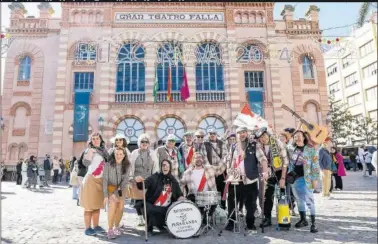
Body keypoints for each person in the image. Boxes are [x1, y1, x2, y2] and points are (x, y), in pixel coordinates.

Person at [225, 127, 268, 234]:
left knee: (251, 204)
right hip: (236, 180)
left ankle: (250, 224)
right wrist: (229, 172)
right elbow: (230, 160)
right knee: (231, 202)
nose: (242, 134)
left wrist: (265, 171)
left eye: (244, 132)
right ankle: (231, 222)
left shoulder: (254, 145)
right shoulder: (234, 146)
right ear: (237, 134)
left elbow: (263, 159)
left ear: (247, 133)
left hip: (250, 180)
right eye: (239, 133)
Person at [135, 159, 184, 235]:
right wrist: (138, 182)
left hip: (166, 207)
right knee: (146, 207)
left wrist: (180, 197)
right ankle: (149, 226)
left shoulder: (172, 179)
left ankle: (161, 225)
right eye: (163, 165)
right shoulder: (155, 177)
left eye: (167, 165)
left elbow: (178, 193)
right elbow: (143, 185)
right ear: (161, 167)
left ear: (170, 167)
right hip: (153, 204)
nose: (165, 167)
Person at [254, 127, 289, 228]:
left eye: (264, 136)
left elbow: (285, 162)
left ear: (267, 134)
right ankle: (267, 218)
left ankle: (283, 218)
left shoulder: (277, 143)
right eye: (260, 138)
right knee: (267, 196)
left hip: (280, 171)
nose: (263, 139)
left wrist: (283, 178)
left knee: (282, 196)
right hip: (269, 173)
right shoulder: (259, 146)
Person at [287, 130, 320, 233]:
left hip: (307, 179)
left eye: (299, 136)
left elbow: (315, 165)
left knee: (309, 200)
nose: (297, 138)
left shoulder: (310, 149)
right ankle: (303, 219)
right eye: (295, 136)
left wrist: (315, 179)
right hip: (295, 179)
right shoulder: (291, 149)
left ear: (304, 137)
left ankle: (313, 223)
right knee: (299, 200)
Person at [180, 152, 227, 224]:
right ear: (193, 160)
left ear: (202, 159)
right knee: (191, 201)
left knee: (214, 199)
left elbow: (220, 169)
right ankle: (200, 218)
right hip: (194, 197)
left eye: (200, 157)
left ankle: (206, 217)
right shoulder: (187, 172)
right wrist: (181, 196)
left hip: (208, 197)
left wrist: (227, 158)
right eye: (196, 158)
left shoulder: (209, 168)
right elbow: (181, 184)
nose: (198, 159)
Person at [80, 132, 109, 236]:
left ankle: (96, 226)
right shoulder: (89, 150)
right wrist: (89, 153)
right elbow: (86, 163)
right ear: (91, 141)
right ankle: (88, 228)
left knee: (97, 205)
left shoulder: (104, 151)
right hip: (90, 181)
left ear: (101, 139)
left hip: (101, 181)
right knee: (89, 206)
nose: (96, 140)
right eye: (93, 139)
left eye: (97, 138)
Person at [130, 133, 159, 226]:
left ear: (149, 143)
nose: (144, 143)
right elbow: (130, 167)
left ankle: (147, 218)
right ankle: (140, 217)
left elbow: (156, 167)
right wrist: (132, 178)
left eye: (146, 141)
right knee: (138, 200)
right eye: (142, 141)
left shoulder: (153, 153)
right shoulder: (134, 153)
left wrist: (155, 179)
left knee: (148, 200)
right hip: (137, 180)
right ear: (139, 143)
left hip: (149, 181)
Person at [103, 147, 131, 239]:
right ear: (113, 155)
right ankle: (110, 229)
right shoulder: (108, 165)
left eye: (120, 154)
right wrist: (106, 195)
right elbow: (105, 180)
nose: (118, 156)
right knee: (113, 205)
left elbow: (125, 180)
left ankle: (116, 226)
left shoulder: (127, 165)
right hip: (110, 187)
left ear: (124, 155)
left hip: (121, 188)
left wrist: (117, 192)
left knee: (121, 207)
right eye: (116, 154)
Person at [204, 129, 228, 210]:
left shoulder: (222, 143)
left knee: (222, 191)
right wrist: (212, 170)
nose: (212, 135)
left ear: (216, 134)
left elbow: (225, 157)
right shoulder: (205, 144)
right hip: (210, 172)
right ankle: (212, 211)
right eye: (210, 133)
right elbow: (204, 158)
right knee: (212, 192)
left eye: (214, 133)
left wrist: (219, 170)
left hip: (221, 171)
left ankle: (223, 210)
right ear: (208, 135)